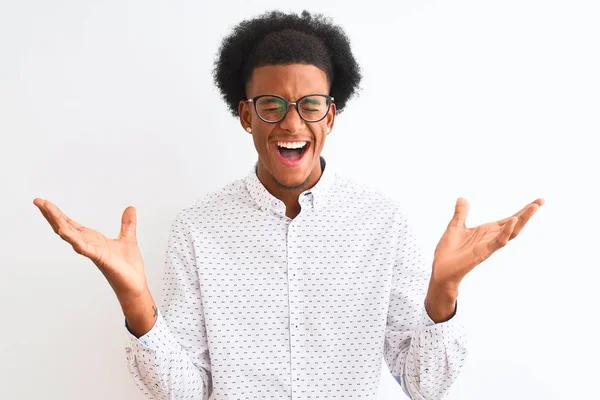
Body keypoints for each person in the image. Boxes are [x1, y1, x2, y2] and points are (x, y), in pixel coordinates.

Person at [33, 10, 544, 400]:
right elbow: (185, 391)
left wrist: (444, 291)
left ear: (331, 116)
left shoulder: (382, 223)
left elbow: (422, 383)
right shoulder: (198, 229)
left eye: (310, 105)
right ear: (245, 116)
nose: (292, 124)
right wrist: (136, 302)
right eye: (272, 105)